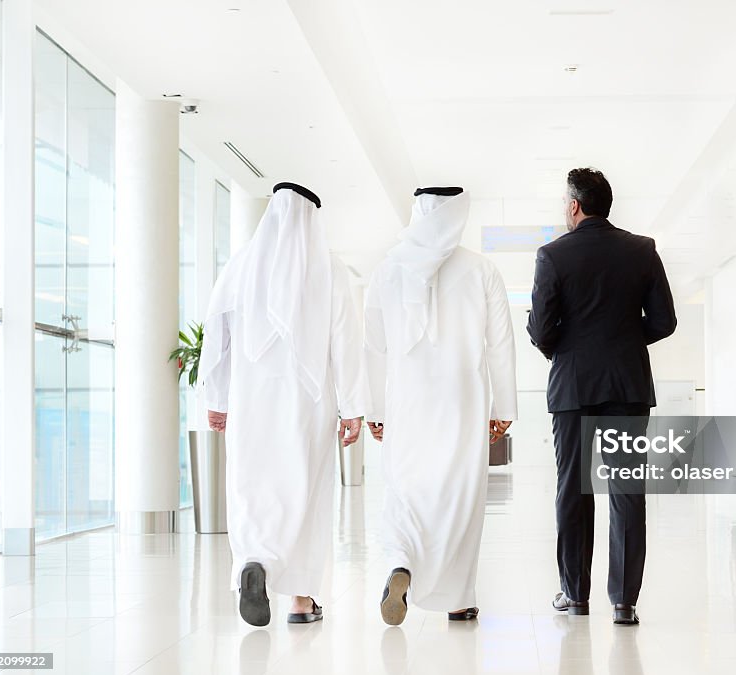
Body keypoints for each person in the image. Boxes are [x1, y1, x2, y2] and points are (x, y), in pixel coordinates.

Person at [199, 182, 369, 627]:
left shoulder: (241, 266)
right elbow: (346, 342)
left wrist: (216, 397)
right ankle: (299, 600)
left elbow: (217, 334)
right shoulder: (329, 269)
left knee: (252, 486)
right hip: (307, 401)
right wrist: (352, 406)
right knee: (306, 491)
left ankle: (254, 562)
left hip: (250, 398)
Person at [527, 168, 676, 626]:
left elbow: (540, 329)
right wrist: (625, 340)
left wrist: (566, 349)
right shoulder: (642, 250)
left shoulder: (552, 255)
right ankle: (624, 603)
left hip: (572, 387)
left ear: (574, 206)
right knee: (627, 492)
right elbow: (665, 321)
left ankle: (575, 595)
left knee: (573, 488)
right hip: (626, 386)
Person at [364, 186, 517, 625]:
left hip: (406, 399)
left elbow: (372, 346)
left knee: (406, 490)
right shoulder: (482, 268)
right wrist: (503, 404)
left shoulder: (386, 270)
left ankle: (401, 563)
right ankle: (458, 598)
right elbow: (500, 342)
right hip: (463, 400)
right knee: (459, 497)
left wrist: (375, 408)